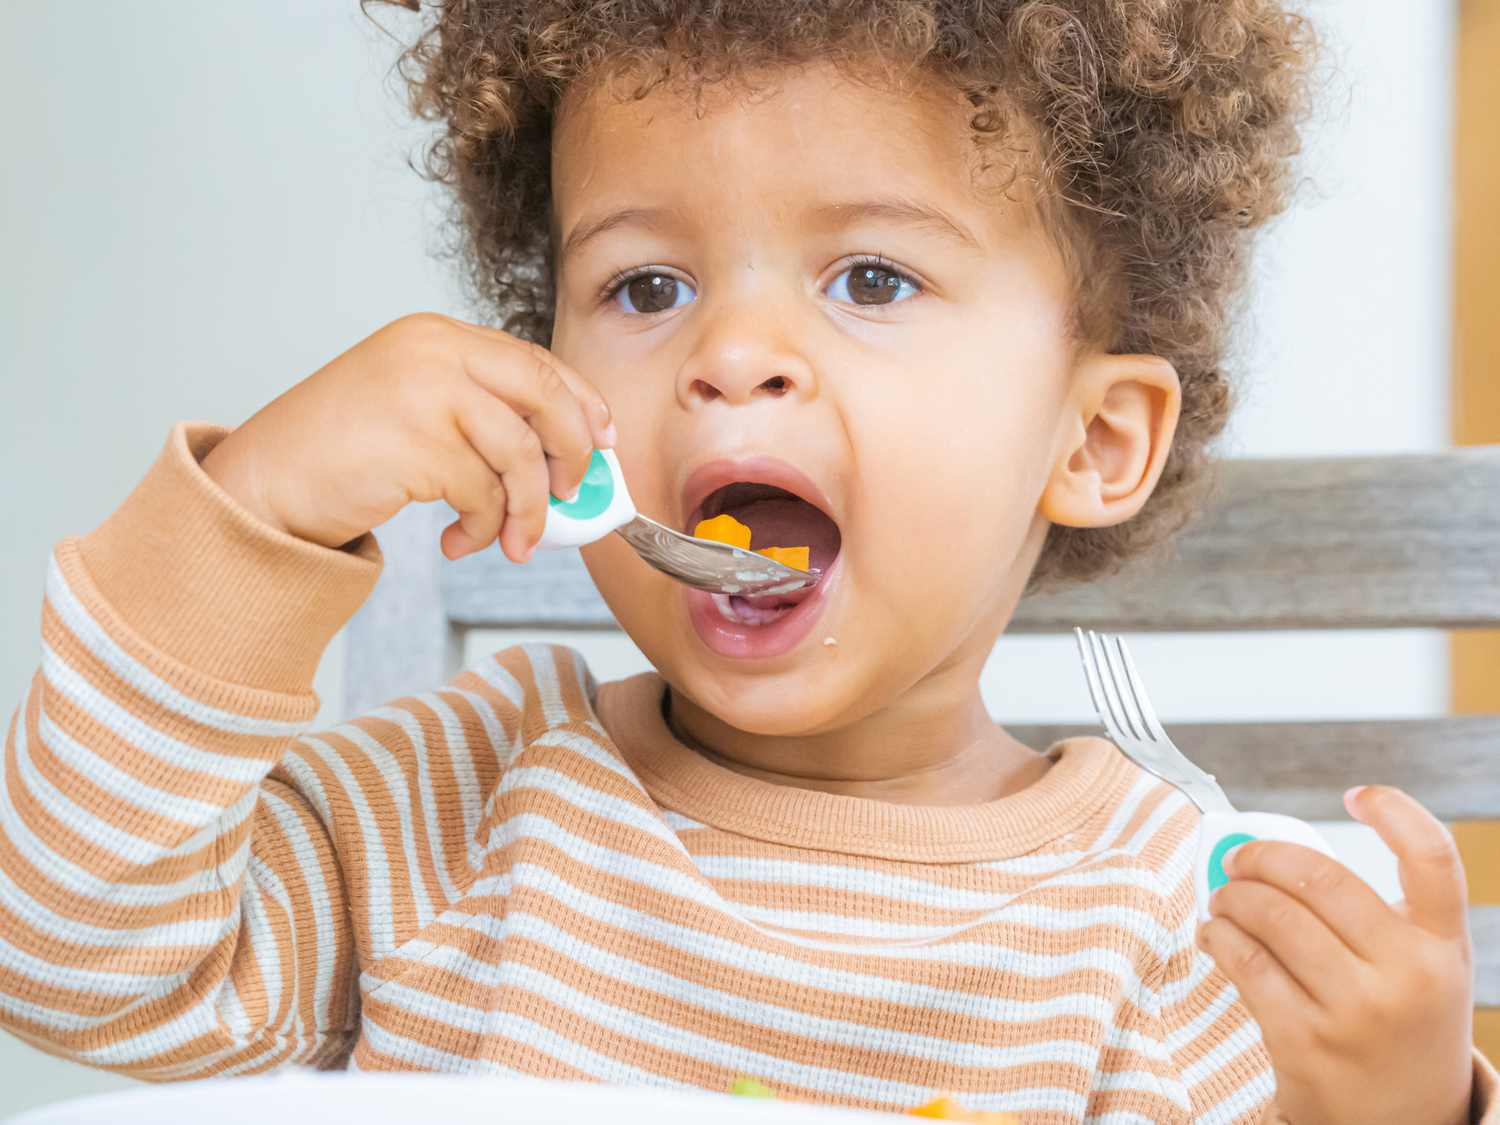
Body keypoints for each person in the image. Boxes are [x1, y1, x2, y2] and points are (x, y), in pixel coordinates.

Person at [0, 2, 1487, 1122]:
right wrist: (260, 499)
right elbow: (84, 970)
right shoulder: (464, 797)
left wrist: (1392, 1109)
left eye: (872, 278)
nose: (732, 357)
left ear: (1092, 439)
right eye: (646, 284)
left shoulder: (1172, 932)